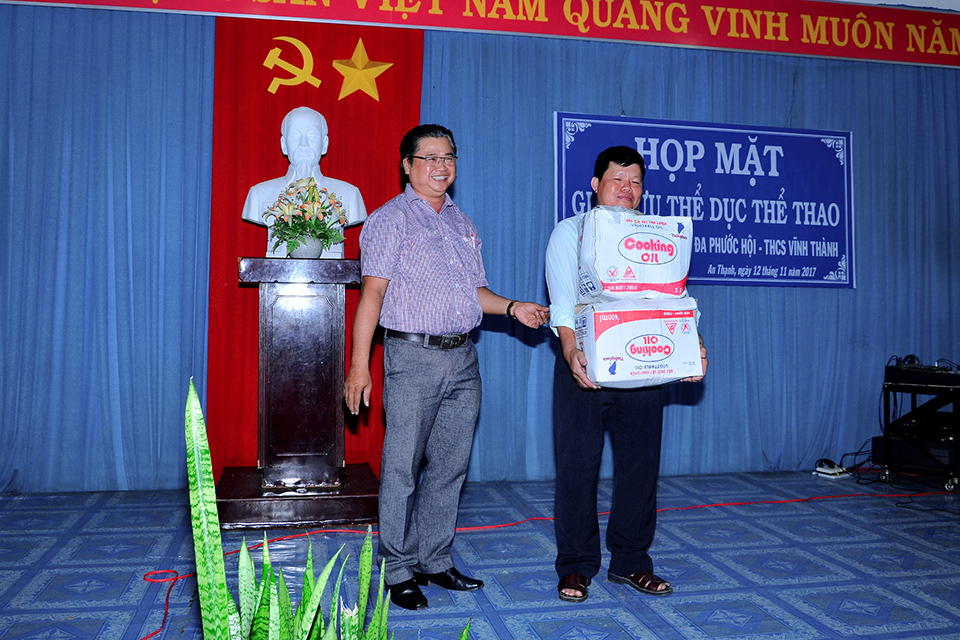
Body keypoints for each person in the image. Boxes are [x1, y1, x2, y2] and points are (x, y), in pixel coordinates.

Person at [343, 124, 549, 611]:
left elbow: (474, 293)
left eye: (449, 157)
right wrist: (359, 365)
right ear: (407, 165)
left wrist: (513, 307)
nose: (441, 166)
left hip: (463, 358)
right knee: (402, 469)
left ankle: (434, 560)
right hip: (412, 357)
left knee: (450, 467)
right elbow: (372, 295)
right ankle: (397, 569)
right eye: (430, 157)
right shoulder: (389, 220)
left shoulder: (461, 222)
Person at [545, 145, 708, 603]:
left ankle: (632, 561)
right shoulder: (571, 231)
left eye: (635, 181)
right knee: (577, 467)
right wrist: (570, 349)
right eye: (617, 179)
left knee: (640, 467)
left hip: (644, 365)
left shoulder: (656, 236)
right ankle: (576, 565)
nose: (627, 189)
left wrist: (693, 346)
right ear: (595, 185)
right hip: (585, 364)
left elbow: (675, 297)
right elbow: (562, 298)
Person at [241, 106, 367, 258]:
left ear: (324, 144)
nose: (303, 144)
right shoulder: (259, 194)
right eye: (294, 135)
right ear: (284, 145)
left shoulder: (350, 195)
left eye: (312, 135)